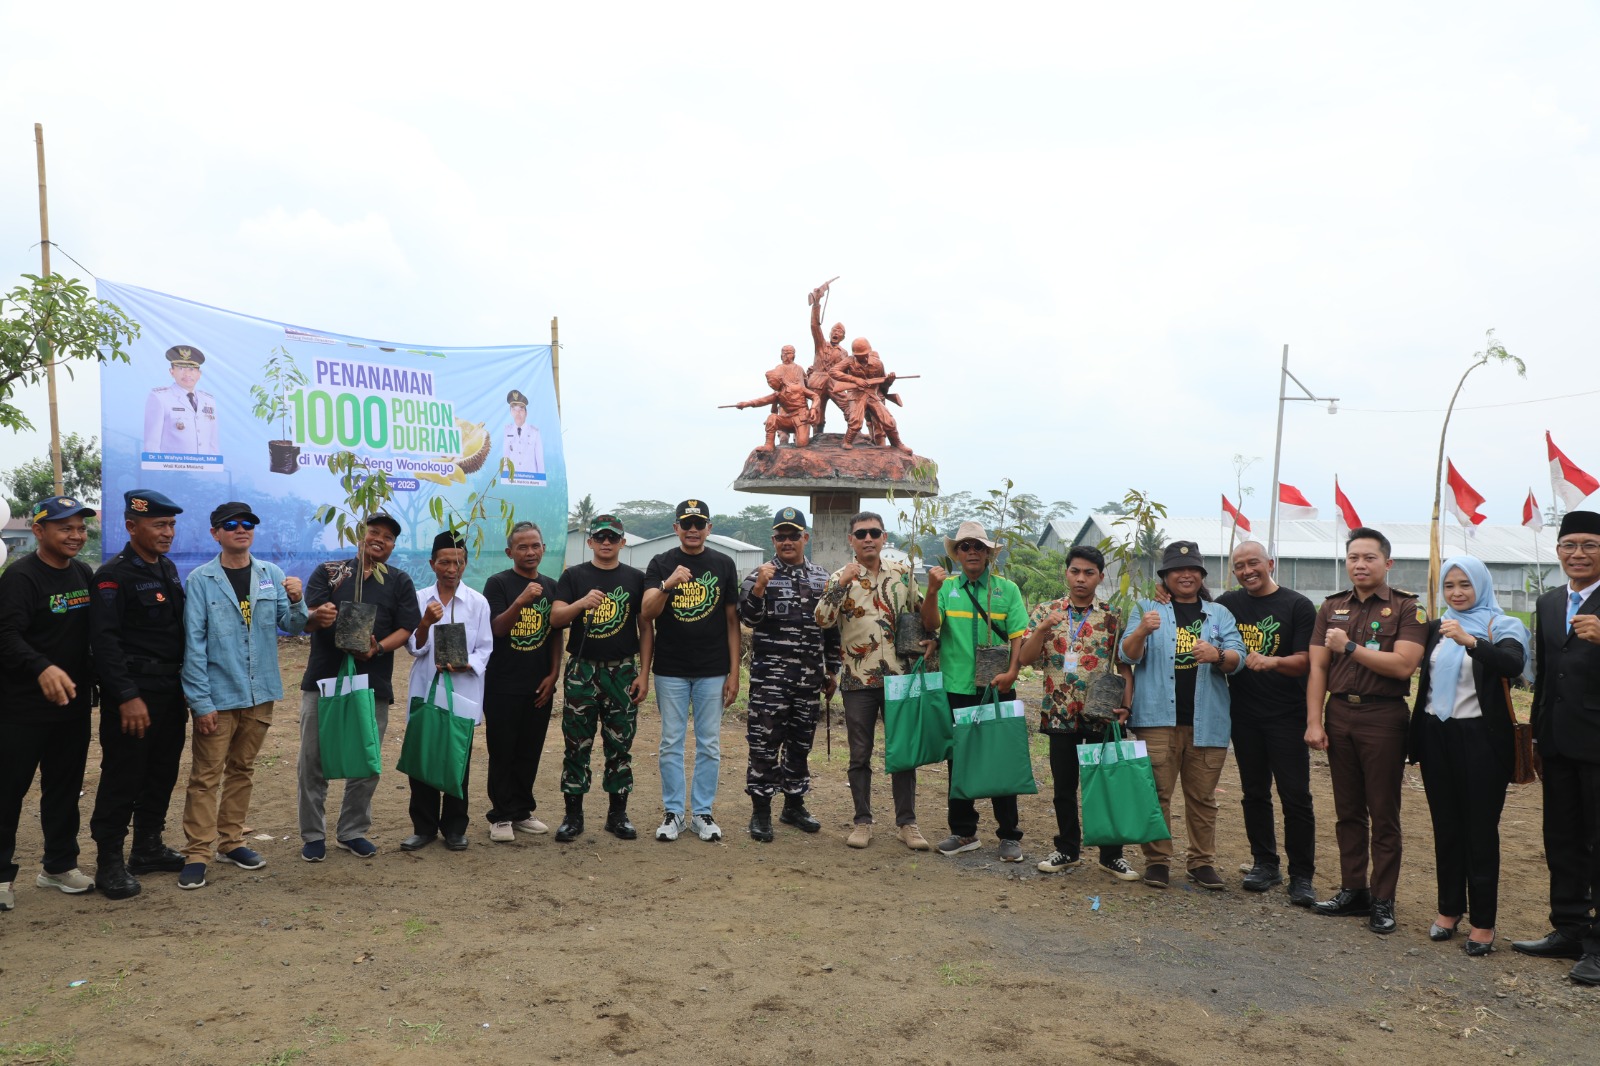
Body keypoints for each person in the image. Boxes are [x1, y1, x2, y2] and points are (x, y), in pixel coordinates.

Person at [178, 502, 308, 889]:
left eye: (248, 523)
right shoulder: (201, 580)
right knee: (205, 777)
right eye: (231, 524)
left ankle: (231, 842)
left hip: (260, 692)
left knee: (242, 769)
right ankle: (198, 852)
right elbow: (194, 645)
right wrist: (201, 703)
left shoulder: (271, 575)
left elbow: (293, 626)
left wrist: (298, 599)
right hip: (218, 696)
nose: (241, 528)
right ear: (215, 533)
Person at [1305, 526, 1427, 935]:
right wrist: (1314, 721)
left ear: (1387, 563)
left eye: (1369, 557)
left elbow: (1404, 665)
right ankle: (1353, 889)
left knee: (1383, 812)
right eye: (1353, 557)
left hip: (1383, 717)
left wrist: (1350, 647)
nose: (1360, 564)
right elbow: (1318, 667)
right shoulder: (1331, 607)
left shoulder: (1408, 608)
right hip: (1340, 713)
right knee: (1348, 811)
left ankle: (1383, 899)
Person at [1408, 555, 1528, 957]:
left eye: (1465, 584)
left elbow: (1513, 663)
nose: (1456, 593)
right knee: (1446, 826)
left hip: (1481, 739)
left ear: (1481, 585)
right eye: (1449, 585)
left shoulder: (1501, 624)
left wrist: (1471, 642)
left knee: (1480, 830)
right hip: (1436, 735)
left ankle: (1483, 922)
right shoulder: (1436, 627)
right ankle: (1448, 910)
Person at [1119, 540, 1247, 890]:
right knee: (1157, 794)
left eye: (1193, 569)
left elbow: (1238, 658)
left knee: (1203, 798)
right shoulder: (1147, 608)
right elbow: (1127, 656)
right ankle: (1157, 861)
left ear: (1202, 575)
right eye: (1177, 569)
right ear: (1166, 576)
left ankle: (1201, 863)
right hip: (1156, 720)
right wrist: (1142, 630)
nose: (1186, 575)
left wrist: (1218, 655)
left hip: (1207, 721)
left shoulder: (1219, 614)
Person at [297, 511, 420, 861]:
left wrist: (377, 648)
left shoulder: (398, 580)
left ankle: (352, 831)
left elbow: (406, 627)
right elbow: (309, 617)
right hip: (324, 678)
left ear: (393, 546)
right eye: (373, 531)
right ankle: (313, 834)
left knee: (366, 759)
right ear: (359, 535)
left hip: (372, 681)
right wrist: (319, 616)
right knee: (312, 759)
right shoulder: (331, 572)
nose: (380, 539)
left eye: (388, 537)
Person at [87, 490, 190, 900]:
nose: (168, 532)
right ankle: (109, 861)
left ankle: (147, 847)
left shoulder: (166, 567)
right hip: (134, 694)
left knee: (162, 771)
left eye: (172, 525)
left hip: (169, 690)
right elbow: (104, 642)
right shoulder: (114, 575)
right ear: (132, 526)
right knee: (123, 775)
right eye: (159, 525)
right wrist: (126, 695)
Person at [1514, 509, 1600, 983]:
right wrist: (1536, 736)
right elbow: (1545, 675)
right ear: (1558, 550)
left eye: (1589, 545)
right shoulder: (1549, 602)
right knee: (1562, 839)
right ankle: (1569, 928)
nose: (1578, 553)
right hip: (1558, 742)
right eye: (1570, 545)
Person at [1018, 545, 1138, 881]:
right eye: (1075, 571)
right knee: (1064, 787)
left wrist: (1126, 706)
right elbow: (1025, 659)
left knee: (1106, 785)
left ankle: (1111, 855)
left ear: (1100, 577)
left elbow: (1124, 667)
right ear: (1066, 573)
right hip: (1059, 712)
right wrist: (1042, 629)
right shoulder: (1047, 611)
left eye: (1089, 573)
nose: (1081, 578)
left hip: (1101, 714)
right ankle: (1067, 849)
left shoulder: (1113, 617)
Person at [0, 496, 98, 909]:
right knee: (8, 792)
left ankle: (58, 866)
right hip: (21, 709)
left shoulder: (83, 573)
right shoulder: (20, 578)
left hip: (71, 705)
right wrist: (41, 666)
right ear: (39, 531)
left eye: (80, 528)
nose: (76, 536)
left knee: (64, 788)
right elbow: (6, 635)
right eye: (65, 528)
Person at [814, 511, 929, 850]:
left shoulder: (902, 574)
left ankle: (907, 823)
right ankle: (862, 821)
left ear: (884, 538)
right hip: (857, 679)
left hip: (899, 678)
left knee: (903, 752)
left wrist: (931, 638)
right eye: (861, 533)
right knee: (860, 754)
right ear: (851, 540)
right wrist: (841, 585)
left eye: (874, 533)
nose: (868, 539)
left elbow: (921, 614)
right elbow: (822, 619)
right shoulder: (840, 577)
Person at [1216, 540, 1319, 906]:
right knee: (1254, 792)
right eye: (1239, 566)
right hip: (1244, 715)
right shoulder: (1228, 604)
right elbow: (1196, 608)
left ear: (1270, 563)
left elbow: (1307, 661)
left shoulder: (1297, 605)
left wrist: (1273, 662)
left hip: (1287, 715)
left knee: (1295, 796)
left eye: (1253, 563)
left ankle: (1302, 875)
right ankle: (1265, 863)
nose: (1247, 571)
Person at [922, 521, 1028, 861]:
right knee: (959, 760)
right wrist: (932, 591)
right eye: (965, 547)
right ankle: (964, 831)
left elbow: (1018, 636)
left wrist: (1012, 673)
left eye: (978, 546)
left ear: (988, 554)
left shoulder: (1006, 590)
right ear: (957, 554)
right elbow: (931, 625)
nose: (971, 552)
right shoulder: (947, 589)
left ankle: (1009, 835)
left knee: (1001, 759)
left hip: (998, 687)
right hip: (956, 687)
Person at [738, 507, 840, 842]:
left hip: (809, 680)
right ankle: (761, 811)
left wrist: (833, 669)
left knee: (800, 744)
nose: (787, 541)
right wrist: (759, 588)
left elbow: (831, 628)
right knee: (764, 745)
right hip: (770, 681)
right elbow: (748, 620)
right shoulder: (759, 575)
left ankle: (794, 805)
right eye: (780, 536)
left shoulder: (821, 578)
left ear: (805, 538)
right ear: (773, 540)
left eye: (793, 535)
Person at [641, 500, 740, 843]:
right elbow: (647, 613)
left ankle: (702, 813)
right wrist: (668, 584)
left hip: (713, 669)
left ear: (709, 528)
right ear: (676, 528)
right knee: (671, 741)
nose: (693, 530)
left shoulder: (723, 563)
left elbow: (732, 621)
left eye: (699, 524)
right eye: (687, 524)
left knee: (709, 743)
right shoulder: (661, 563)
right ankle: (674, 813)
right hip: (671, 669)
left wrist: (735, 672)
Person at [551, 514, 652, 841]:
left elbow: (646, 628)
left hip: (622, 671)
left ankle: (617, 815)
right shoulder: (574, 576)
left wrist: (644, 674)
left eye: (612, 537)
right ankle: (573, 816)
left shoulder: (636, 578)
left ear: (623, 542)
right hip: (582, 669)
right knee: (576, 744)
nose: (606, 542)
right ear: (590, 541)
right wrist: (581, 603)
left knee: (620, 745)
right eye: (600, 537)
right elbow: (555, 618)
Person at [401, 531, 493, 852]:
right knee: (423, 758)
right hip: (427, 687)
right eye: (444, 562)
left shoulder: (477, 602)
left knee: (457, 760)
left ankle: (455, 828)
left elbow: (485, 648)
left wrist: (466, 664)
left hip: (462, 690)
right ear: (432, 564)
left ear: (465, 564)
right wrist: (426, 622)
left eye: (458, 562)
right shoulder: (419, 599)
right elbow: (414, 647)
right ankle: (423, 827)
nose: (451, 569)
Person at [482, 521, 563, 842]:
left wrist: (554, 675)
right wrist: (521, 601)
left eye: (535, 546)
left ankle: (521, 811)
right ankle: (500, 815)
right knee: (503, 751)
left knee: (530, 751)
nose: (530, 552)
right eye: (522, 547)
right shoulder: (498, 584)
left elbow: (555, 634)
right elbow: (497, 629)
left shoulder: (552, 586)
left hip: (539, 685)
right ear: (509, 552)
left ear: (544, 548)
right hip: (502, 684)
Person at [829, 339, 907, 451]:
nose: (864, 357)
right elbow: (833, 372)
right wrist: (855, 379)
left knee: (888, 421)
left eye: (865, 354)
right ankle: (847, 442)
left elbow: (883, 385)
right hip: (856, 394)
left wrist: (889, 381)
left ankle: (897, 444)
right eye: (859, 355)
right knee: (855, 421)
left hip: (872, 395)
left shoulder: (878, 364)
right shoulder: (849, 361)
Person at [142, 345, 220, 455]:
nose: (187, 374)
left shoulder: (208, 401)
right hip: (171, 465)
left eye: (192, 369)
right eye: (181, 368)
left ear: (199, 374)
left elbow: (212, 443)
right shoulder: (160, 398)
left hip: (203, 465)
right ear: (172, 372)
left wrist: (214, 464)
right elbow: (152, 444)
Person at [807, 285, 850, 433]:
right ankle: (816, 436)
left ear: (843, 337)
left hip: (834, 383)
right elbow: (814, 326)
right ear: (830, 333)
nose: (836, 333)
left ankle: (854, 431)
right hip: (818, 381)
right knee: (816, 411)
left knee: (848, 405)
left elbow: (848, 372)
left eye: (840, 332)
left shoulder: (844, 353)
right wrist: (816, 304)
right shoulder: (821, 344)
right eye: (834, 330)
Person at [500, 389, 545, 481]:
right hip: (513, 480)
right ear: (511, 412)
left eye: (521, 409)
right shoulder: (507, 431)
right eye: (514, 409)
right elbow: (506, 458)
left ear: (526, 413)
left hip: (531, 481)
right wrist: (505, 480)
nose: (518, 413)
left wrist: (542, 482)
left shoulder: (535, 432)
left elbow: (540, 461)